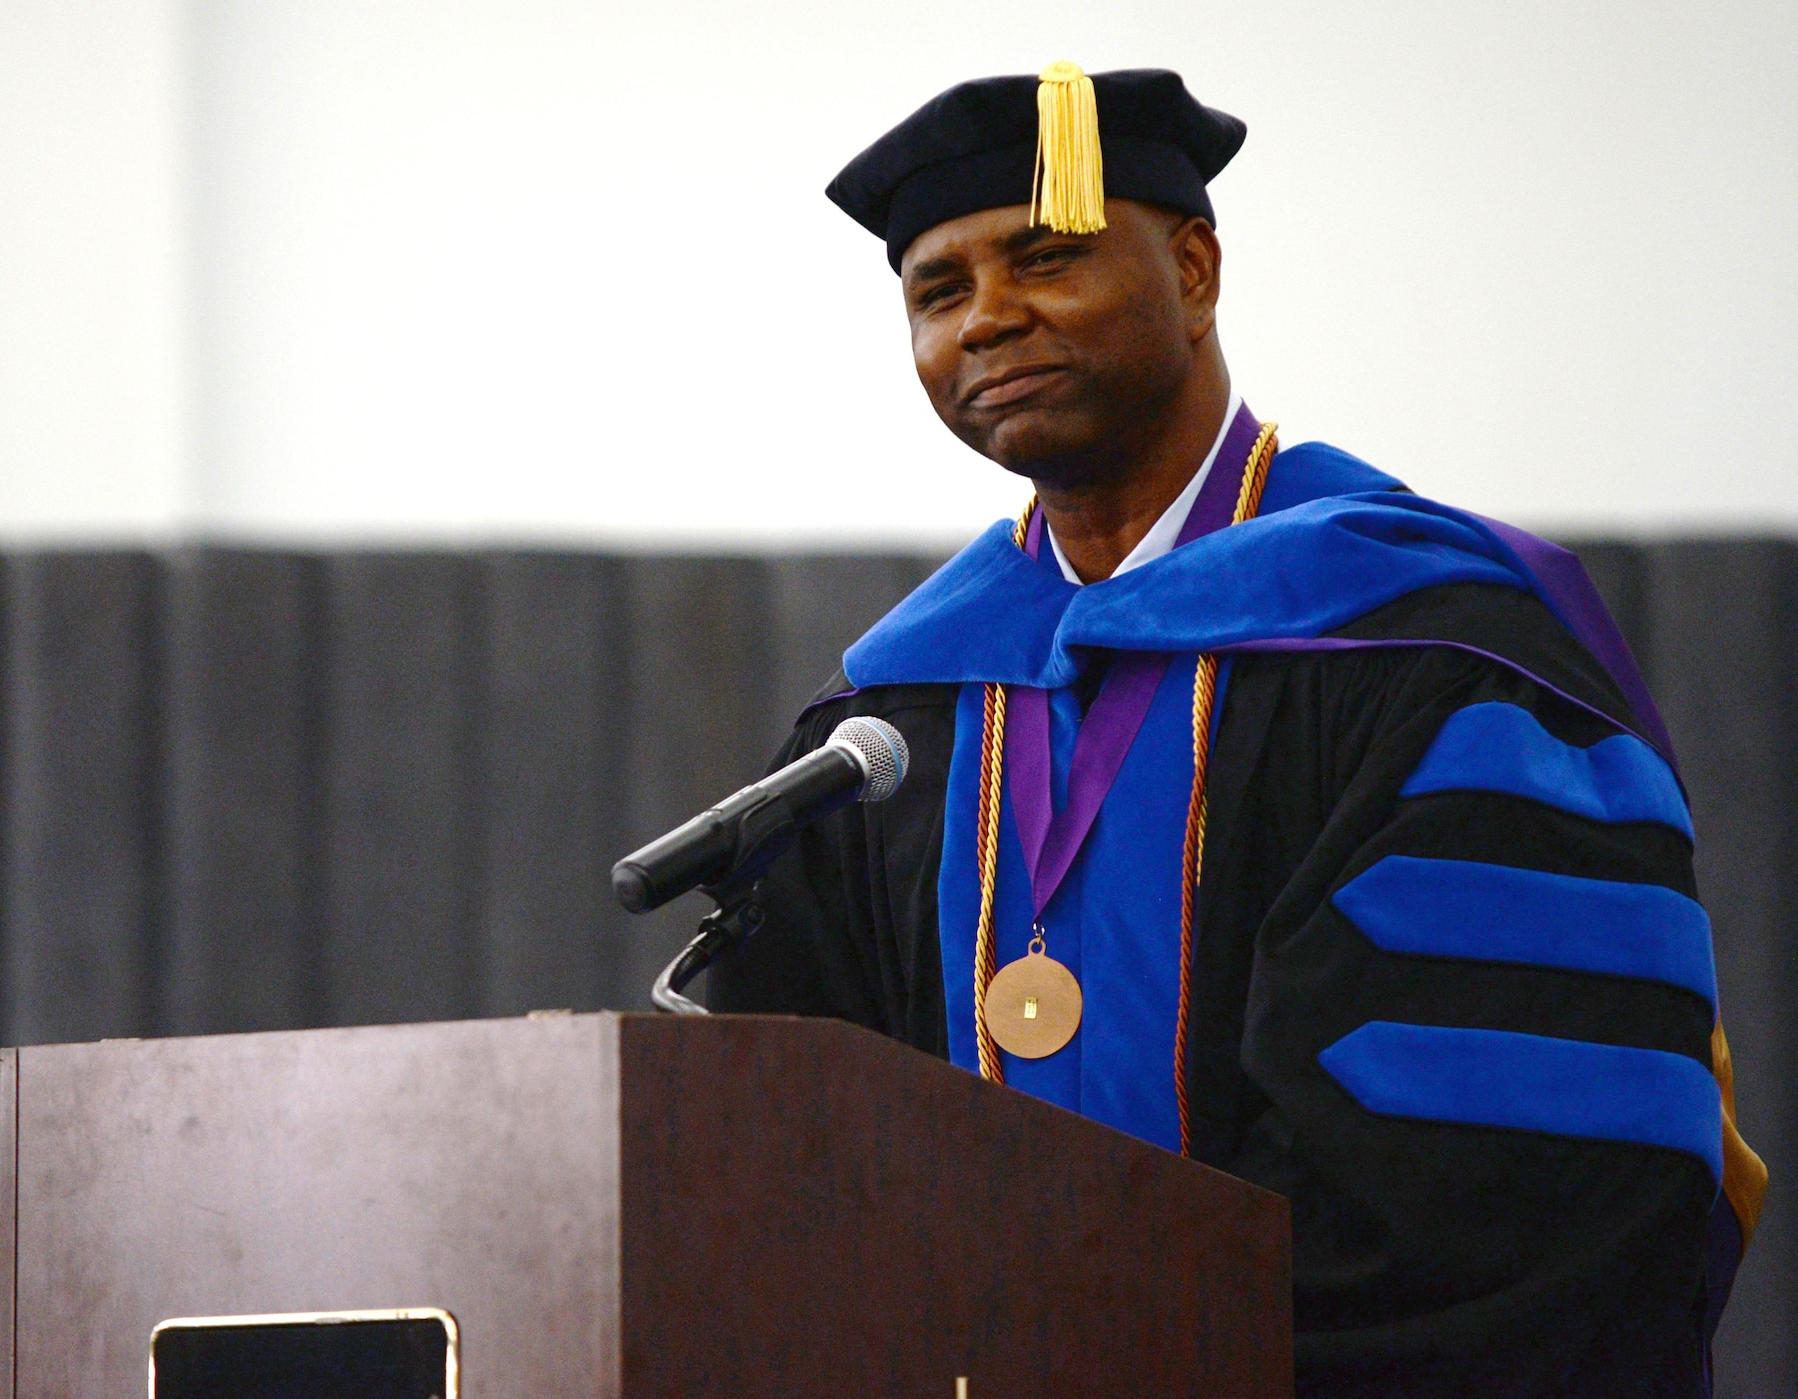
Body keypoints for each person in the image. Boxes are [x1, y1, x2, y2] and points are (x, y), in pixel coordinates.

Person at [708, 63, 1767, 1397]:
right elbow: (785, 1147)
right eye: (939, 291)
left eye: (1045, 258)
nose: (990, 319)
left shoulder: (1429, 654)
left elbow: (1494, 1172)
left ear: (1197, 268)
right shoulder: (899, 717)